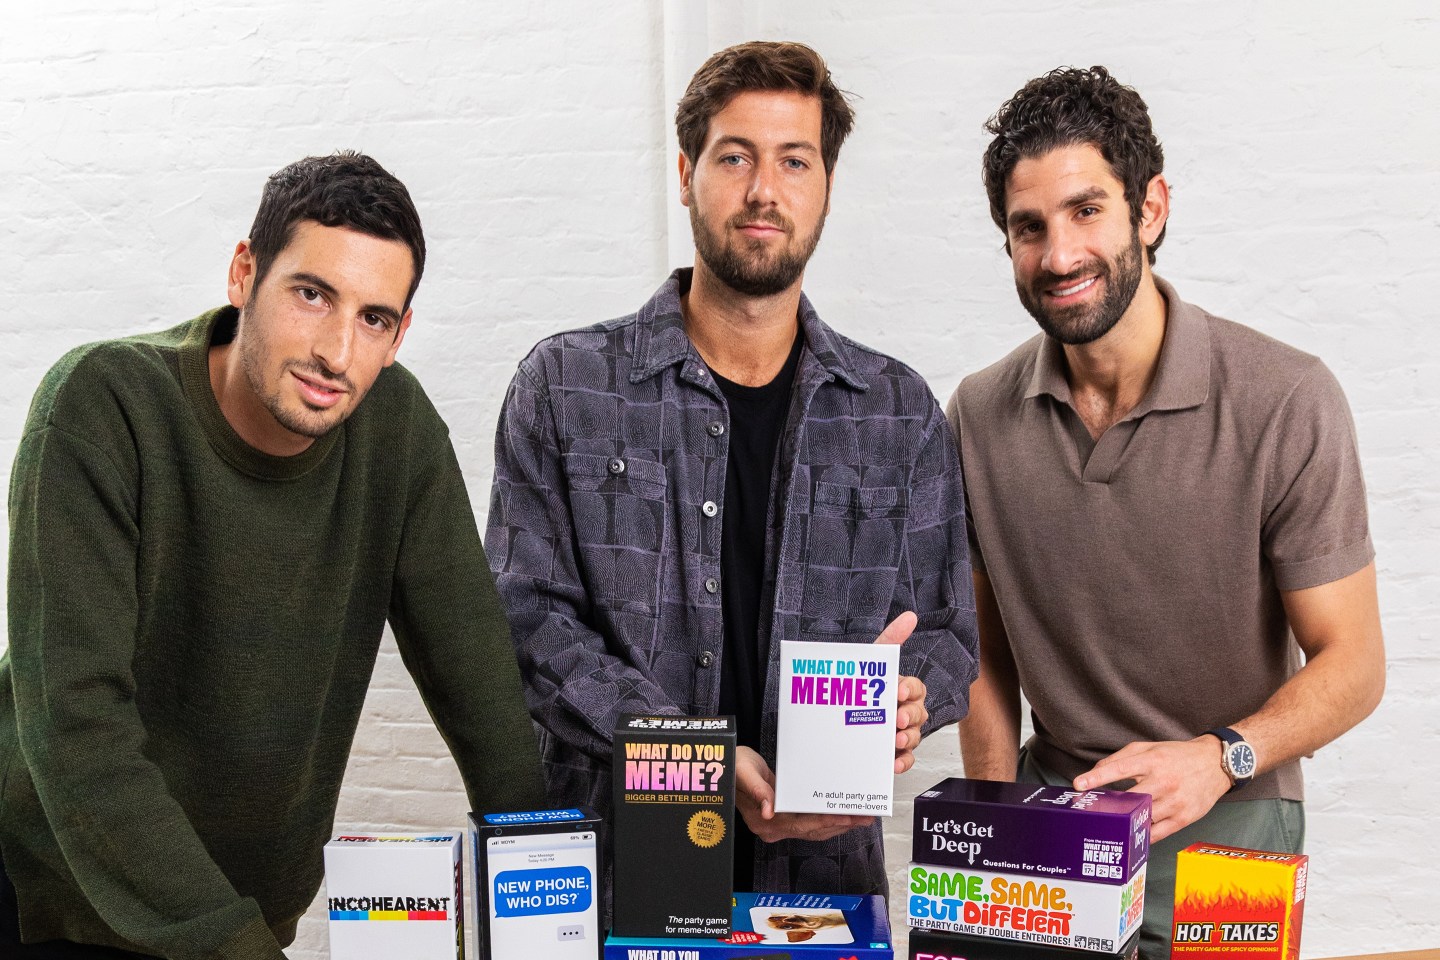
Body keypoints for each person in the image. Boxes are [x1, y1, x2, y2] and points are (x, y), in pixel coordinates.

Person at [0, 152, 546, 960]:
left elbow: (479, 681)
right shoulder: (103, 406)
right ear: (243, 272)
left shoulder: (396, 431)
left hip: (242, 911)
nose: (336, 351)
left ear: (399, 336)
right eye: (312, 294)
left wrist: (552, 892)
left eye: (374, 318)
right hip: (61, 900)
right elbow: (79, 728)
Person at [487, 41, 979, 902]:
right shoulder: (565, 385)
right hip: (615, 879)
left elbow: (946, 631)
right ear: (686, 174)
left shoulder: (898, 410)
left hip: (823, 888)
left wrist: (913, 701)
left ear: (826, 186)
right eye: (735, 157)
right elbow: (529, 625)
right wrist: (696, 762)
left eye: (796, 161)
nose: (764, 190)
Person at [948, 66, 1385, 958]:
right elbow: (980, 653)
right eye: (1027, 228)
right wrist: (994, 824)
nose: (1058, 255)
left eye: (1086, 211)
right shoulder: (978, 416)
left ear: (1150, 208)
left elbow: (1357, 664)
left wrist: (1217, 755)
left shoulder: (1285, 399)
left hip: (1235, 815)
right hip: (1053, 820)